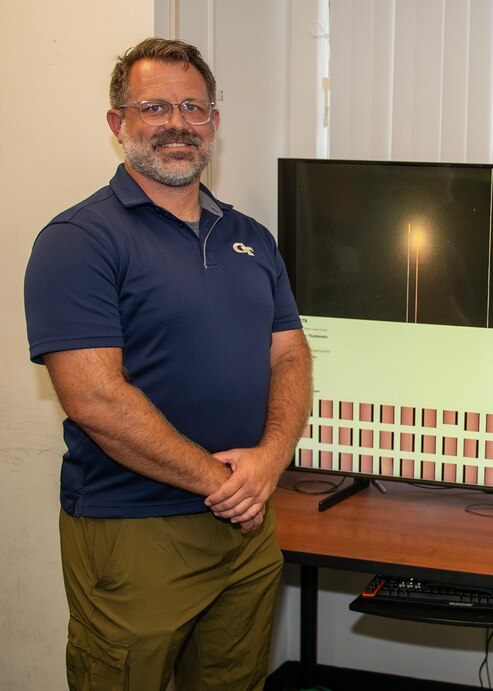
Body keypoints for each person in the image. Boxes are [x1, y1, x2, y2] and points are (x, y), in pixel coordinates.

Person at [23, 38, 312, 689]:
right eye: (154, 106)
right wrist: (223, 480)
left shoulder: (252, 238)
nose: (177, 123)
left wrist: (268, 458)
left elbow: (289, 352)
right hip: (136, 532)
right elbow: (96, 398)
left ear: (213, 121)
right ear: (117, 123)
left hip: (246, 529)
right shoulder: (78, 242)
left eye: (193, 106)